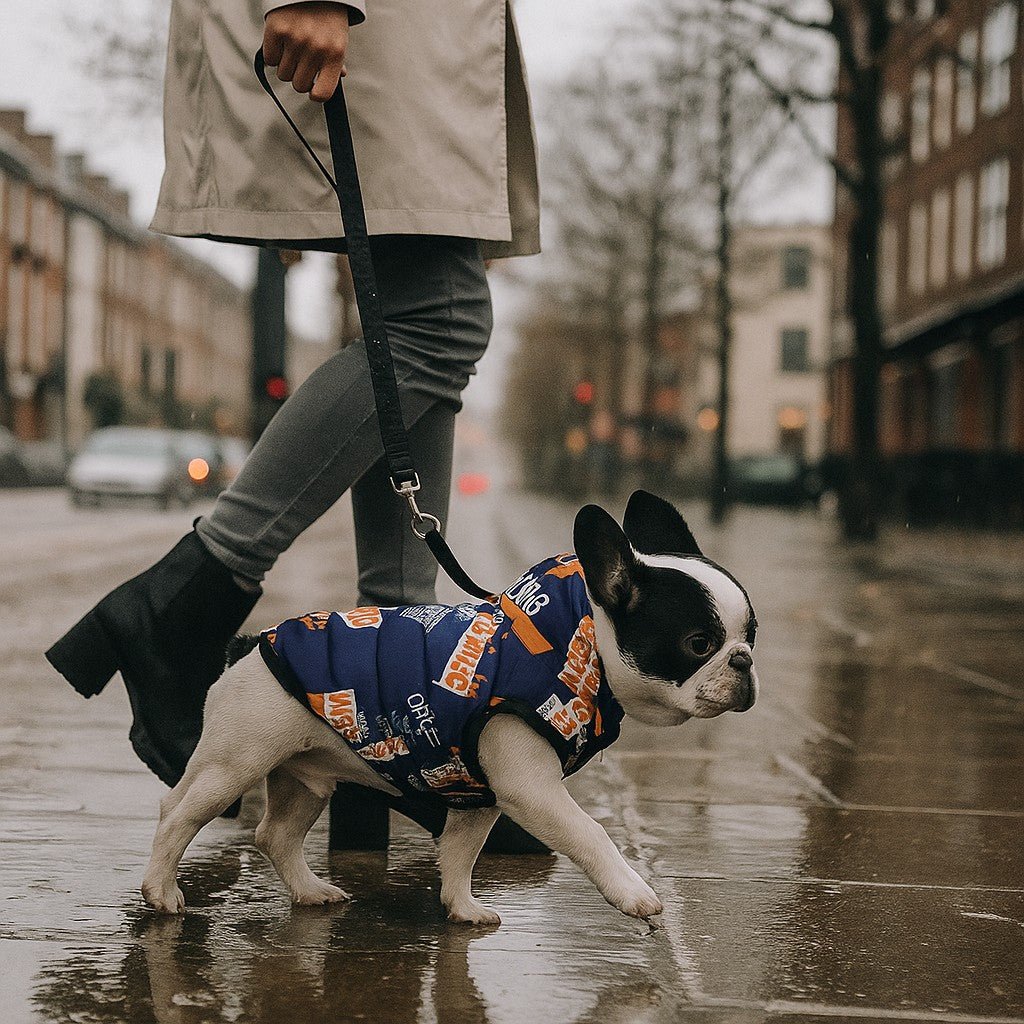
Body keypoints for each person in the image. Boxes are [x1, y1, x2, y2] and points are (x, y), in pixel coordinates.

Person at [46, 0, 542, 849]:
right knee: (441, 320)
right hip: (377, 29)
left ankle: (384, 737)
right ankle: (183, 601)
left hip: (412, 41)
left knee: (418, 333)